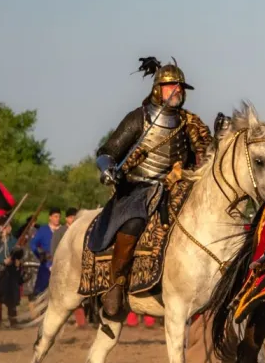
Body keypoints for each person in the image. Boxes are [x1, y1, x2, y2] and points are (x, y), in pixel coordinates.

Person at [87, 59, 213, 321]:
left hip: (176, 185)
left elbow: (201, 155)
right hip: (138, 187)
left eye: (180, 86)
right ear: (158, 89)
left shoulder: (188, 122)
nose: (177, 90)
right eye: (171, 86)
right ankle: (116, 284)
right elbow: (107, 151)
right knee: (133, 222)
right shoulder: (139, 117)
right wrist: (108, 168)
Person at [29, 208, 61, 295]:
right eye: (55, 216)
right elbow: (33, 244)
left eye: (59, 217)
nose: (57, 218)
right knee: (41, 291)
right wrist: (40, 255)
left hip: (60, 264)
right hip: (46, 264)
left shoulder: (62, 230)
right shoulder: (43, 230)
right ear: (50, 217)